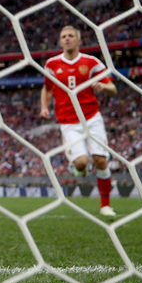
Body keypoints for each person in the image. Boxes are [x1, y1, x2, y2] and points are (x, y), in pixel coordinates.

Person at [40, 25, 117, 217]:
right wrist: (44, 107)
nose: (67, 38)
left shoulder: (92, 62)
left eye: (71, 36)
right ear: (60, 41)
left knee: (100, 160)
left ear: (78, 40)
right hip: (68, 122)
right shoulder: (51, 64)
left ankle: (105, 205)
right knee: (81, 163)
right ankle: (81, 169)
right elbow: (47, 89)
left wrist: (103, 86)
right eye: (63, 36)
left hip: (91, 118)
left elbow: (113, 88)